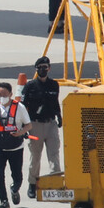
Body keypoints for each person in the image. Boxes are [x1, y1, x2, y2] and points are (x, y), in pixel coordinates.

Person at [21, 56, 62, 200]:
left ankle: (56, 184)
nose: (42, 70)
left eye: (45, 67)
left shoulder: (54, 85)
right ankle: (33, 184)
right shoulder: (30, 86)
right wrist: (24, 127)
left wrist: (59, 116)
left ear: (49, 69)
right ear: (36, 70)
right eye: (40, 68)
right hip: (35, 125)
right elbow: (23, 107)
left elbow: (55, 102)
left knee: (54, 155)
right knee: (35, 157)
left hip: (50, 123)